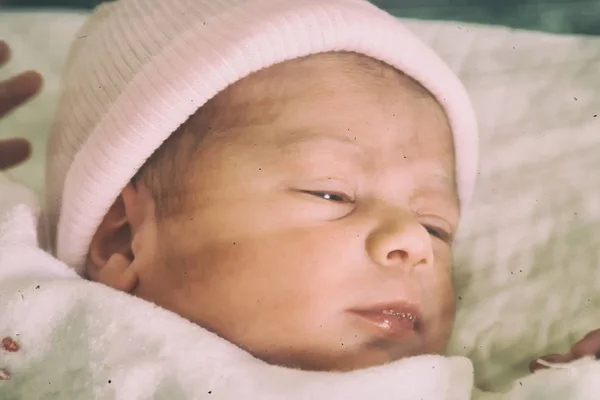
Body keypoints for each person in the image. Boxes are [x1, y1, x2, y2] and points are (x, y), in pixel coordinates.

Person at [0, 0, 597, 394]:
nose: (413, 244)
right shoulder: (39, 304)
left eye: (437, 227)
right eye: (332, 193)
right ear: (123, 239)